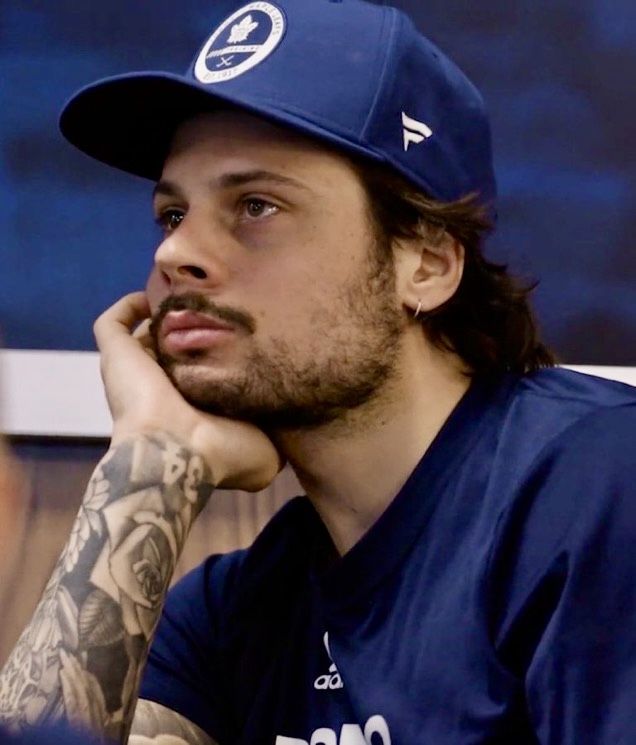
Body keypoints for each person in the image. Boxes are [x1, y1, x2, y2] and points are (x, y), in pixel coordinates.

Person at [1, 1, 636, 743]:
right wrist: (149, 460)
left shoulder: (594, 486)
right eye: (172, 215)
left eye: (256, 205)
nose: (176, 254)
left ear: (425, 264)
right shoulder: (237, 609)